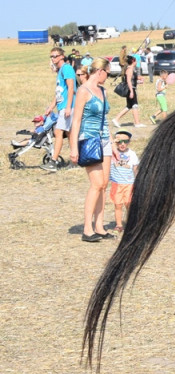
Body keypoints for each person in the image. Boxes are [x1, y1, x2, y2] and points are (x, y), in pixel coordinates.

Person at [68, 58, 115, 242]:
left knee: (104, 184)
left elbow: (104, 119)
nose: (108, 77)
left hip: (104, 140)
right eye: (108, 73)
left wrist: (111, 142)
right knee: (96, 184)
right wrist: (73, 147)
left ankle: (100, 226)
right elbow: (76, 121)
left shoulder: (103, 91)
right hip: (88, 139)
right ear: (100, 71)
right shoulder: (83, 91)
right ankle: (87, 229)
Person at [44, 47, 77, 169]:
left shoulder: (67, 68)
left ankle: (53, 161)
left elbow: (71, 87)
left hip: (68, 106)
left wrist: (68, 107)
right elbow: (59, 92)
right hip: (62, 106)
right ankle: (74, 161)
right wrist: (51, 107)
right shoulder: (60, 71)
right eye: (51, 56)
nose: (53, 59)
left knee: (58, 131)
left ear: (62, 56)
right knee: (70, 133)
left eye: (55, 56)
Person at [108, 129, 139, 232]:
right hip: (116, 184)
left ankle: (131, 222)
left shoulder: (132, 154)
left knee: (129, 204)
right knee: (118, 205)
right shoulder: (111, 152)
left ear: (129, 142)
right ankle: (119, 224)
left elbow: (135, 168)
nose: (122, 144)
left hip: (129, 184)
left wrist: (138, 180)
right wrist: (113, 142)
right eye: (119, 141)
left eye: (125, 141)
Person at [112, 55, 142, 127]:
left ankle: (116, 119)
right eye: (135, 61)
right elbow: (128, 81)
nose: (136, 62)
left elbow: (133, 79)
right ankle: (137, 123)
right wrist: (131, 91)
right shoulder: (130, 69)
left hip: (132, 88)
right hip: (130, 89)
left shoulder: (131, 69)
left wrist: (139, 79)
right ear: (133, 61)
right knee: (134, 105)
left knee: (129, 106)